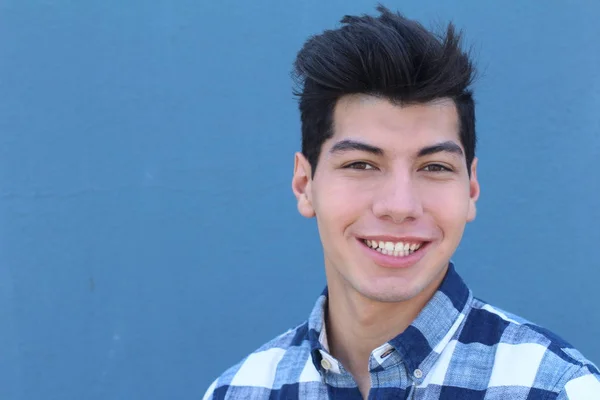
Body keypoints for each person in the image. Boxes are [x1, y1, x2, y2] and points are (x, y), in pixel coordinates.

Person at [202, 5, 600, 399]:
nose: (399, 205)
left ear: (471, 189)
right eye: (361, 164)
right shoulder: (239, 391)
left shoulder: (555, 388)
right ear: (305, 183)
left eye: (435, 167)